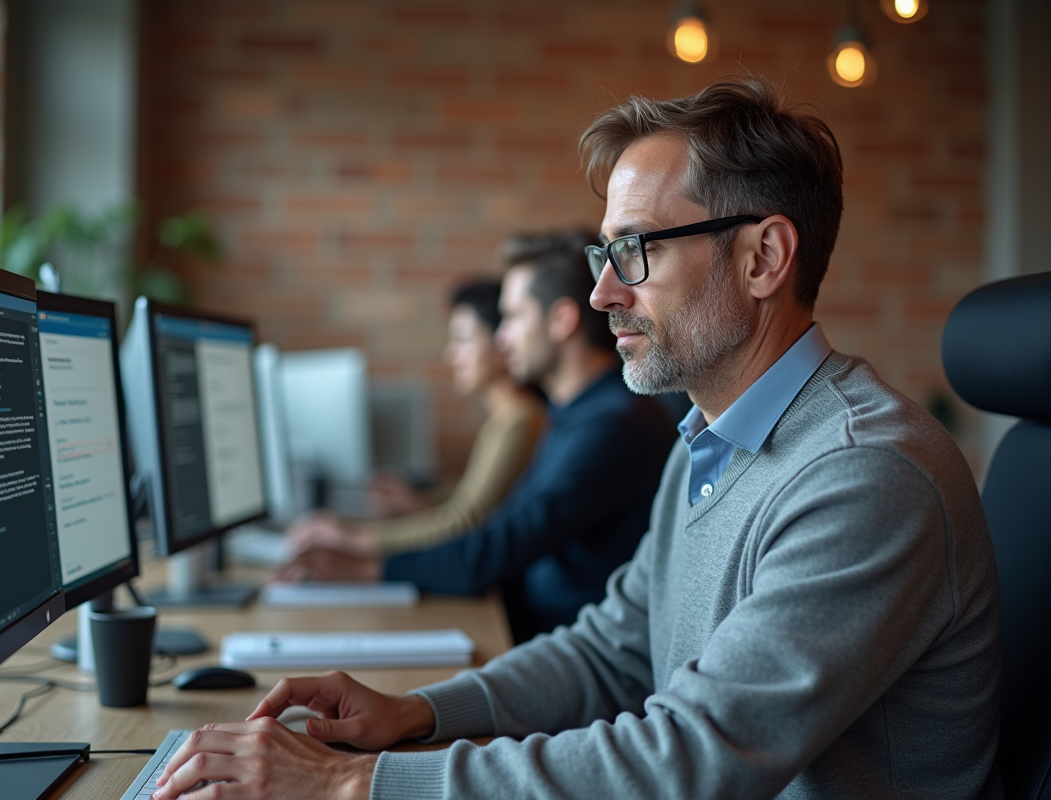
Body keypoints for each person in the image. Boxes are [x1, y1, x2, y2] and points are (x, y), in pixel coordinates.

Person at [149, 77, 1002, 800]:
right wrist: (419, 713)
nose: (600, 294)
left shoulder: (860, 473)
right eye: (603, 253)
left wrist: (353, 782)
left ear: (763, 258)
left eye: (633, 251)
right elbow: (611, 652)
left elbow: (690, 758)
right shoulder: (710, 436)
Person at [277, 232, 678, 644]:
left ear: (561, 321)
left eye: (514, 317)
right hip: (535, 631)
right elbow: (502, 523)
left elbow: (496, 547)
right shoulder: (575, 413)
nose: (501, 338)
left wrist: (362, 568)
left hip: (567, 649)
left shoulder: (611, 425)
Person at [285, 280, 546, 557]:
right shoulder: (510, 418)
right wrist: (421, 502)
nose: (450, 354)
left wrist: (356, 538)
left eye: (463, 339)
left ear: (502, 340)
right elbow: (473, 496)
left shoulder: (520, 422)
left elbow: (467, 519)